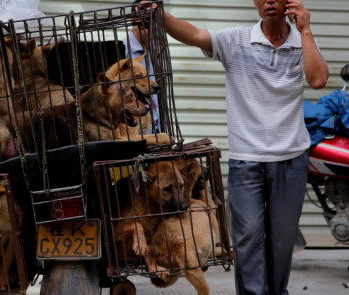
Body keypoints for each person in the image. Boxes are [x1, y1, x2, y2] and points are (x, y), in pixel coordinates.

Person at [151, 0, 328, 294]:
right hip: (247, 161)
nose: (269, 1)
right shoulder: (236, 40)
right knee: (247, 238)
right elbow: (194, 35)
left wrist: (305, 29)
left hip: (291, 159)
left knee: (282, 242)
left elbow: (319, 79)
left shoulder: (302, 42)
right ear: (255, 2)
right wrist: (157, 13)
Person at [122, 0, 160, 134]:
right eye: (147, 18)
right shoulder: (121, 50)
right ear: (134, 20)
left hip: (156, 133)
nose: (153, 23)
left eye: (155, 18)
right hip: (135, 135)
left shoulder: (157, 53)